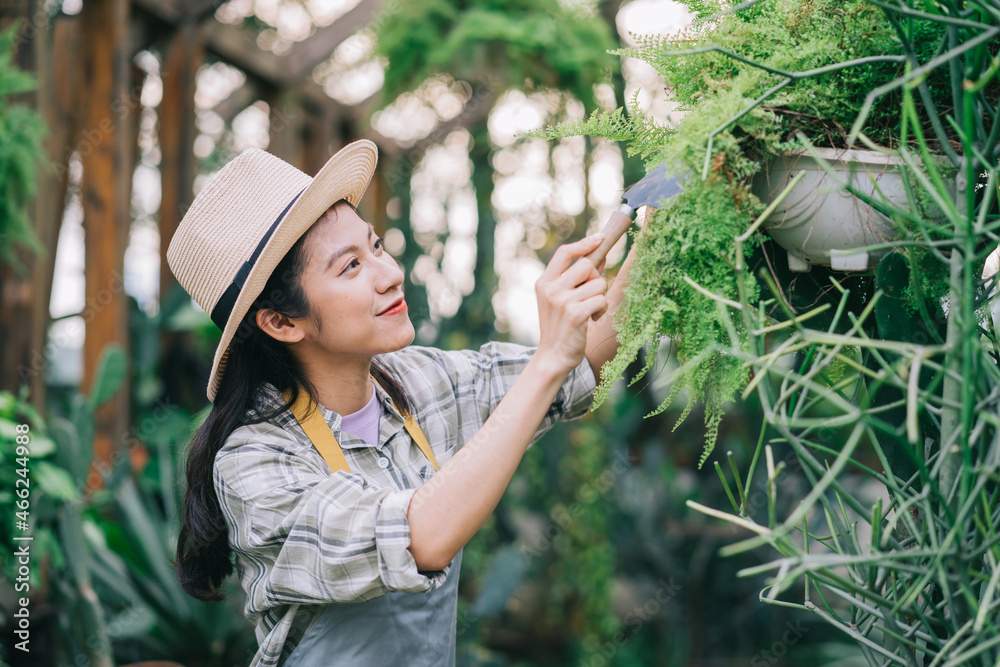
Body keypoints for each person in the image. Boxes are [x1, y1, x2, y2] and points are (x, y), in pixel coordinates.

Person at [168, 139, 635, 667]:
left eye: (375, 247)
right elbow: (420, 538)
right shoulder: (255, 463)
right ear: (282, 321)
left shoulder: (417, 380)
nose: (389, 274)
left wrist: (671, 215)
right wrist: (548, 359)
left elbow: (582, 365)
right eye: (349, 267)